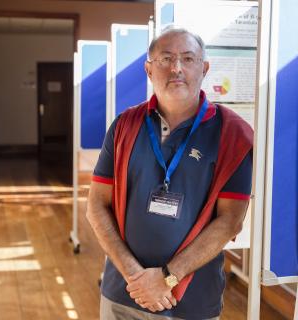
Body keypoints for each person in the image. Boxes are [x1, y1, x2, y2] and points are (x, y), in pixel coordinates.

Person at [86, 26, 253, 320]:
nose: (176, 68)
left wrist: (166, 278)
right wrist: (135, 276)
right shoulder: (125, 125)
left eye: (188, 59)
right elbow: (96, 206)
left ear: (204, 68)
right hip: (123, 293)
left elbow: (230, 220)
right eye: (165, 59)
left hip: (192, 302)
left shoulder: (233, 133)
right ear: (149, 70)